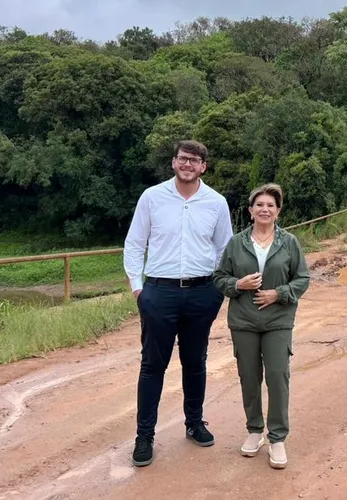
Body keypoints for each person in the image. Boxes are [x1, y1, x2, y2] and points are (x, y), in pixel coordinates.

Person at [122, 140, 234, 467]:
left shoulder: (215, 203)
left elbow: (224, 249)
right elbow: (134, 245)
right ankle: (144, 436)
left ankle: (194, 422)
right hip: (159, 292)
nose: (188, 164)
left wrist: (215, 289)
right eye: (182, 158)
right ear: (173, 163)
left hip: (202, 293)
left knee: (195, 361)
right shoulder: (152, 198)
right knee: (153, 365)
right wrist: (138, 289)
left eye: (194, 160)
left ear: (203, 167)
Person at [214, 183, 310, 470]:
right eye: (259, 205)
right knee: (249, 376)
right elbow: (219, 277)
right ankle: (254, 431)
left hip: (278, 321)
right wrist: (237, 284)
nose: (264, 209)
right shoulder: (236, 243)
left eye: (270, 205)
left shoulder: (289, 242)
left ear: (278, 212)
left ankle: (277, 438)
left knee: (278, 376)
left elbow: (302, 278)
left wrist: (279, 293)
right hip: (243, 320)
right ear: (250, 211)